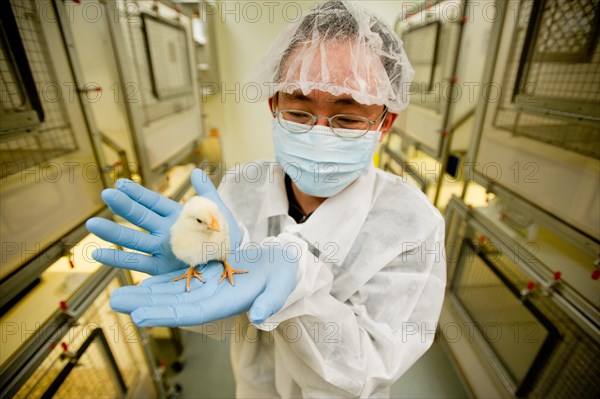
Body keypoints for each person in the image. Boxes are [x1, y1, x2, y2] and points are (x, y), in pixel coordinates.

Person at [86, 1, 446, 397]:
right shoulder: (242, 188)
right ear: (273, 105)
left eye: (347, 118)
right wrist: (195, 270)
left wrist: (296, 280)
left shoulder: (411, 225)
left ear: (384, 124)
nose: (319, 135)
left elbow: (370, 367)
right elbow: (220, 319)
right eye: (299, 111)